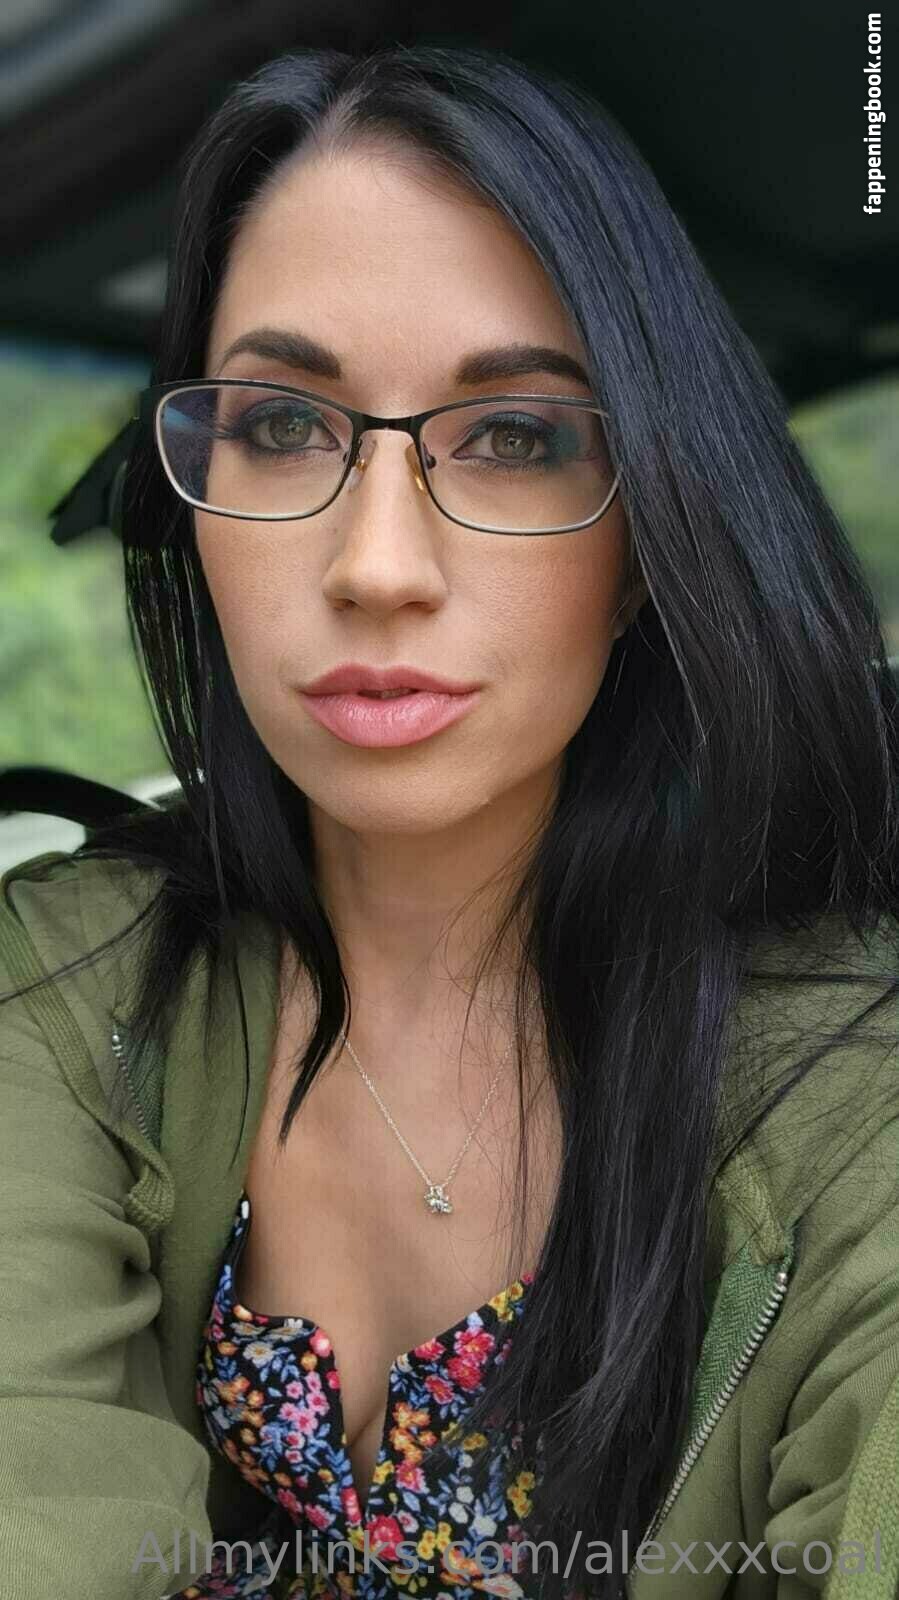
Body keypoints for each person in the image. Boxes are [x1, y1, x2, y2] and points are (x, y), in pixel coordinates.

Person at [1, 41, 897, 1600]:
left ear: (647, 545)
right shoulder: (68, 985)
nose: (377, 567)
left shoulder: (849, 1092)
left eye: (519, 438)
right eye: (282, 425)